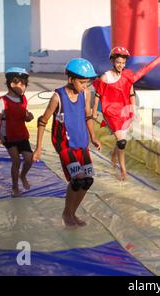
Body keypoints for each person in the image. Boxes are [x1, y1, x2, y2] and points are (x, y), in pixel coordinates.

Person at [33, 58, 102, 227]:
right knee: (77, 179)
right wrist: (38, 148)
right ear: (71, 80)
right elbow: (42, 121)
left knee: (87, 180)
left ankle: (72, 213)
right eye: (82, 82)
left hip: (81, 142)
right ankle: (66, 214)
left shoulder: (85, 94)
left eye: (87, 83)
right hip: (64, 143)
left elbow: (87, 115)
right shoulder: (58, 97)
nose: (85, 86)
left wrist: (93, 137)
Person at [92, 47, 137, 181]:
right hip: (110, 110)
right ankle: (123, 170)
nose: (121, 65)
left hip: (124, 109)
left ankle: (113, 153)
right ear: (112, 61)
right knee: (122, 142)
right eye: (118, 62)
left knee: (122, 139)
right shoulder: (106, 77)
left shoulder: (128, 75)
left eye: (123, 63)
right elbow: (98, 94)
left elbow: (131, 93)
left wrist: (133, 109)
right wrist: (94, 111)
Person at [0, 67, 34, 197]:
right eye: (18, 83)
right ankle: (15, 186)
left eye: (23, 84)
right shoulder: (3, 100)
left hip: (22, 134)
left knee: (29, 159)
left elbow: (25, 117)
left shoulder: (24, 99)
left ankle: (23, 176)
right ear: (10, 84)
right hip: (9, 136)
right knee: (16, 161)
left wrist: (29, 117)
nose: (21, 86)